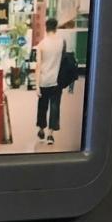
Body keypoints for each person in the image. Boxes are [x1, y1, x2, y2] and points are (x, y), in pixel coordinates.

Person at [35, 16, 65, 144]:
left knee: (42, 107)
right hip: (56, 81)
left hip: (43, 81)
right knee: (55, 107)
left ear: (45, 28)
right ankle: (50, 135)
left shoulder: (41, 44)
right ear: (56, 28)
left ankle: (41, 129)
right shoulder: (61, 42)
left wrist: (37, 86)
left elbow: (38, 66)